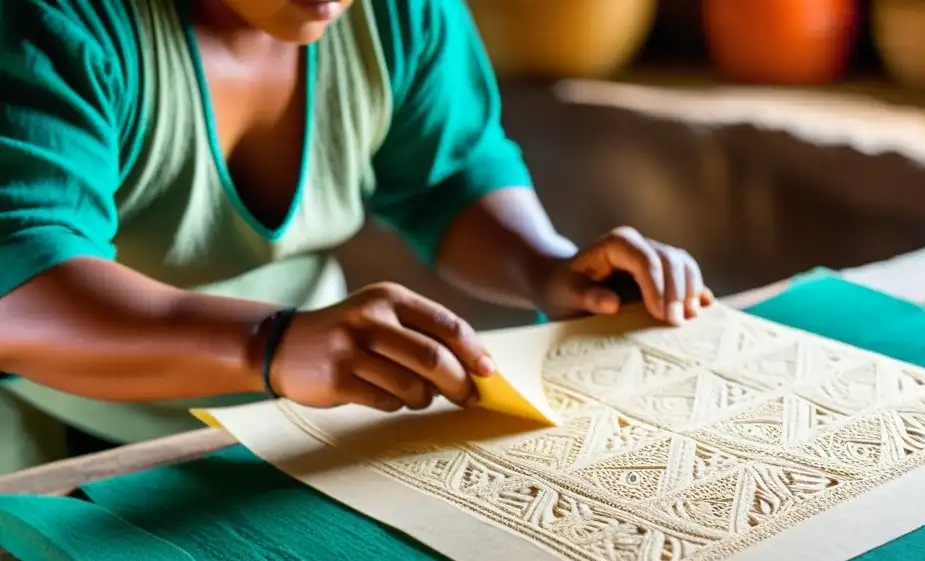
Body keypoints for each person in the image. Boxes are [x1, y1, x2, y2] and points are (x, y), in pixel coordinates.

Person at [0, 0, 713, 475]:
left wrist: (548, 267)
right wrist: (270, 344)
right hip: (68, 447)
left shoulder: (393, 13)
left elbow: (448, 171)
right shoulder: (51, 25)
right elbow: (23, 288)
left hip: (310, 423)